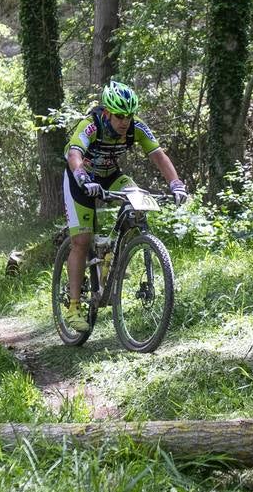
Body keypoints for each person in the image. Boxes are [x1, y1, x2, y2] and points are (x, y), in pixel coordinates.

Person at [62, 81, 189, 331]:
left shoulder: (136, 127)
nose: (124, 122)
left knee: (136, 197)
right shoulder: (90, 125)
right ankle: (74, 306)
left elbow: (158, 155)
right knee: (81, 241)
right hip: (80, 179)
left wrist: (176, 184)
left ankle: (119, 253)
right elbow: (75, 153)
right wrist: (81, 177)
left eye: (128, 116)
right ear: (107, 112)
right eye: (119, 116)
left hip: (111, 175)